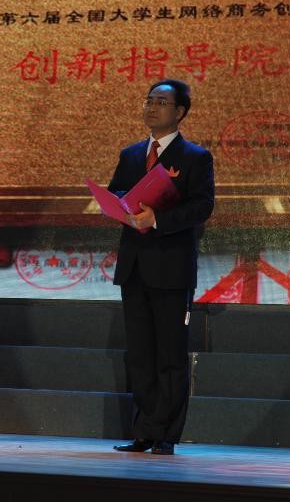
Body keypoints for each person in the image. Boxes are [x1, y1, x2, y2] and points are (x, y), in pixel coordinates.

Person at [108, 79, 215, 456]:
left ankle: (166, 433)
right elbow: (116, 192)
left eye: (161, 102)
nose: (152, 107)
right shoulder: (130, 154)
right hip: (134, 266)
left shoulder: (195, 157)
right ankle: (143, 431)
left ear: (180, 112)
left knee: (170, 354)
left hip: (171, 269)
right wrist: (120, 206)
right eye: (148, 100)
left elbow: (202, 206)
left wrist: (157, 218)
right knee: (140, 354)